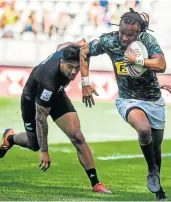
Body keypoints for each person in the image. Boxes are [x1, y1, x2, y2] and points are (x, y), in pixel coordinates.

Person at [0, 39, 111, 194]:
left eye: (77, 68)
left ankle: (96, 183)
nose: (73, 72)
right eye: (70, 67)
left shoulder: (74, 53)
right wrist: (44, 151)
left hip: (57, 94)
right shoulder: (48, 79)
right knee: (35, 145)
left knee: (77, 136)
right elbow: (41, 118)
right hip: (32, 100)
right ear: (61, 61)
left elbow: (61, 46)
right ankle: (10, 137)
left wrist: (78, 45)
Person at [80, 8, 168, 201]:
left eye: (131, 34)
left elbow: (161, 65)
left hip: (153, 100)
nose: (125, 38)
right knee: (144, 130)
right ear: (118, 28)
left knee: (156, 148)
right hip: (128, 99)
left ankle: (155, 177)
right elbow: (84, 50)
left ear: (139, 32)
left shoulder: (147, 41)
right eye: (122, 32)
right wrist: (85, 83)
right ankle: (153, 172)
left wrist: (137, 60)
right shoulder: (109, 41)